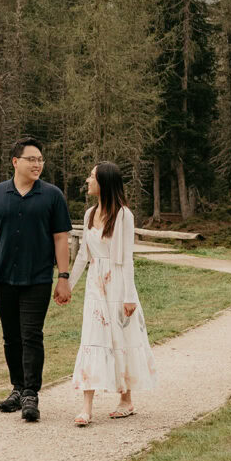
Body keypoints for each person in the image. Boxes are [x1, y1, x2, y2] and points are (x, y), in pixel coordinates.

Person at [0, 138, 72, 422]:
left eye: (40, 159)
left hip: (38, 278)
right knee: (11, 337)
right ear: (16, 162)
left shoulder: (52, 196)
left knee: (31, 335)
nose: (38, 164)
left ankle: (31, 393)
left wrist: (63, 277)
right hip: (3, 277)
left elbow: (61, 238)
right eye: (31, 159)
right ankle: (17, 388)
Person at [68, 162, 157, 426]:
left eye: (92, 176)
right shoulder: (88, 214)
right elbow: (83, 254)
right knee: (93, 338)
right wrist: (68, 286)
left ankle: (126, 400)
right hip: (96, 285)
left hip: (117, 284)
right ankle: (86, 407)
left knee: (121, 338)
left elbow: (127, 259)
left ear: (104, 182)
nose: (87, 180)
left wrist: (129, 296)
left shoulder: (123, 216)